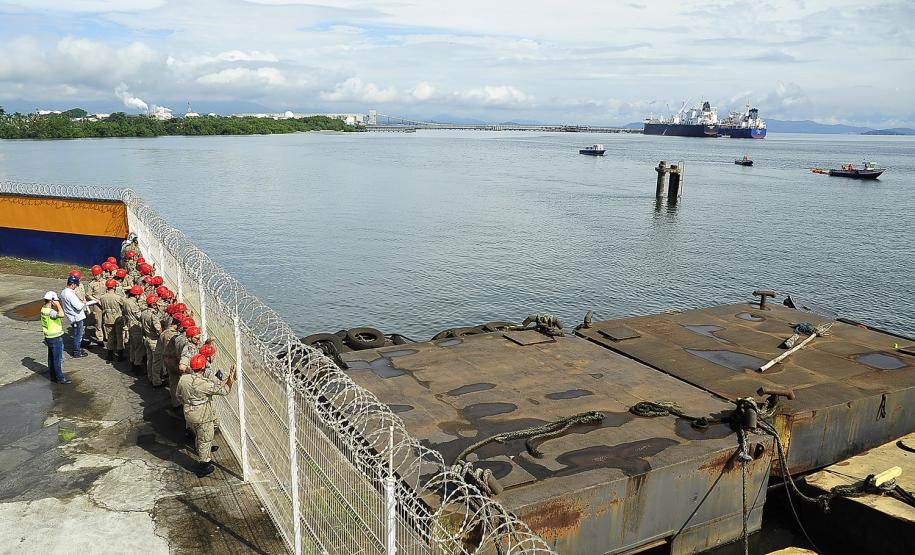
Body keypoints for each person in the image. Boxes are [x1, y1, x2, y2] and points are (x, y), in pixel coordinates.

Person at [176, 353, 235, 477]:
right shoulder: (203, 384)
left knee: (201, 433)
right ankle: (204, 465)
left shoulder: (184, 379)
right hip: (202, 414)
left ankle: (202, 447)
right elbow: (224, 391)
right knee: (205, 439)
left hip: (189, 412)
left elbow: (178, 396)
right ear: (203, 368)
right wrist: (231, 380)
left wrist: (188, 404)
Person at [60, 275, 94, 357]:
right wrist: (85, 303)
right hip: (76, 317)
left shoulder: (64, 292)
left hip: (72, 316)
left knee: (78, 334)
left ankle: (79, 345)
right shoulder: (70, 294)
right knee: (77, 336)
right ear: (72, 284)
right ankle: (77, 352)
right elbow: (78, 306)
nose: (77, 286)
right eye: (76, 285)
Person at [40, 291, 70, 384]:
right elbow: (61, 314)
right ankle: (60, 378)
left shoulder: (43, 309)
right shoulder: (51, 312)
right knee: (57, 359)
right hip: (55, 337)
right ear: (52, 301)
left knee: (51, 358)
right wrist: (58, 305)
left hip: (48, 336)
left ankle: (53, 376)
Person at [99, 278, 127, 362]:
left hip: (107, 318)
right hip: (117, 318)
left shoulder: (102, 297)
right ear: (114, 287)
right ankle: (120, 356)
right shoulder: (118, 297)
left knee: (110, 337)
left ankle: (110, 355)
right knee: (119, 337)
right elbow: (124, 306)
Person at [141, 294, 164, 386]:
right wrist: (162, 335)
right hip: (154, 340)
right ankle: (156, 381)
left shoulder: (143, 313)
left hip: (147, 338)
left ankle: (150, 377)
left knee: (149, 360)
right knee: (156, 362)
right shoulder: (153, 315)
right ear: (153, 304)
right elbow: (158, 328)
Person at [124, 285, 146, 373]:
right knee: (138, 347)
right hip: (136, 325)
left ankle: (132, 362)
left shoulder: (126, 301)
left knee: (132, 346)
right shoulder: (133, 304)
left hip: (129, 324)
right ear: (137, 295)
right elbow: (139, 316)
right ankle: (137, 365)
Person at [86, 265, 106, 344]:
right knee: (98, 321)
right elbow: (88, 295)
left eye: (97, 274)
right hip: (96, 304)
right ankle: (100, 338)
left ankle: (106, 336)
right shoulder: (91, 284)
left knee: (106, 320)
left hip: (105, 302)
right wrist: (95, 300)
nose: (96, 276)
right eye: (95, 275)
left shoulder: (105, 281)